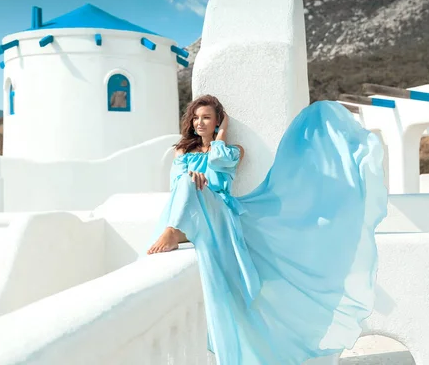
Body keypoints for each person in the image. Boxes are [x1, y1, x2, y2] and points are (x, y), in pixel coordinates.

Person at [146, 94, 388, 364]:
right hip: (189, 210)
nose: (199, 122)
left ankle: (175, 232)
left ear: (216, 123)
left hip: (220, 212)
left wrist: (220, 138)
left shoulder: (232, 150)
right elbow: (176, 185)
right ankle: (174, 230)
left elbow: (216, 180)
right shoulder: (182, 151)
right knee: (186, 182)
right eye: (196, 117)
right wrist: (190, 176)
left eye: (207, 118)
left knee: (193, 184)